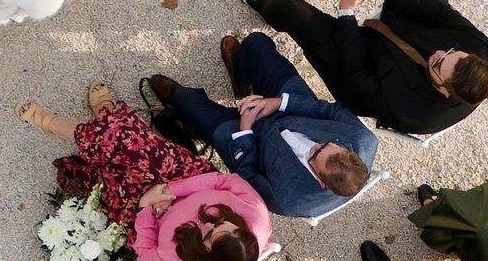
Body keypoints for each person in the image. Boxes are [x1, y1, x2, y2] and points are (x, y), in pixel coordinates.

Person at [229, 0, 488, 139]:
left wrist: (346, 13)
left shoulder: (412, 112)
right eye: (450, 52)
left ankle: (267, 4)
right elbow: (440, 13)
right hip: (410, 25)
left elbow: (356, 72)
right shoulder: (483, 51)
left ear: (445, 91)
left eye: (438, 64)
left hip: (362, 69)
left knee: (293, 12)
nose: (438, 53)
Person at [17, 82, 270, 261]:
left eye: (208, 234)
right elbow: (223, 181)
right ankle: (61, 124)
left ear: (208, 258)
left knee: (115, 172)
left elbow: (146, 252)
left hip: (148, 215)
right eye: (221, 221)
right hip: (187, 178)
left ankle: (104, 115)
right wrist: (169, 190)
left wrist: (145, 206)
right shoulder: (256, 214)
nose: (208, 223)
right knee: (130, 143)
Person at [141, 31, 376, 223]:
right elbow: (329, 111)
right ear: (348, 151)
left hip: (251, 141)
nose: (316, 145)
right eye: (326, 144)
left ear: (321, 181)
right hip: (290, 108)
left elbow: (247, 176)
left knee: (185, 102)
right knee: (256, 43)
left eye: (315, 154)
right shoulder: (363, 139)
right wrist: (279, 102)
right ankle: (240, 77)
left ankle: (180, 99)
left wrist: (245, 131)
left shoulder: (288, 200)